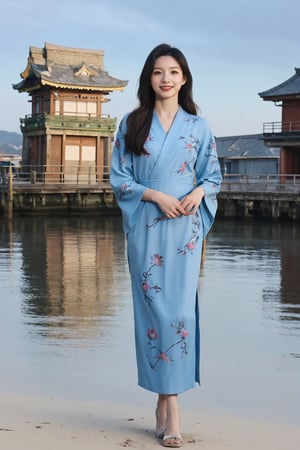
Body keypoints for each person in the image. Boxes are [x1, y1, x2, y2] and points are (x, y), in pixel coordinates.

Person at [110, 43, 222, 448]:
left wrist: (198, 193)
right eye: (158, 72)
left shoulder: (199, 126)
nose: (166, 79)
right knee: (155, 312)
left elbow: (212, 175)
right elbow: (119, 178)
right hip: (147, 226)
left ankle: (169, 406)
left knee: (179, 314)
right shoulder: (131, 123)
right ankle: (167, 404)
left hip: (184, 231)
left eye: (173, 71)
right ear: (149, 78)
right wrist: (156, 196)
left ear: (184, 78)